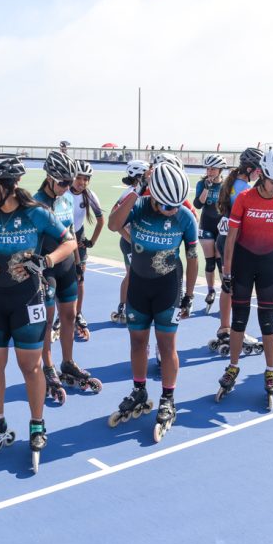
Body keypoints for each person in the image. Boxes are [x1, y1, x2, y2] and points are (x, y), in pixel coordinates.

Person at [0, 154, 76, 472]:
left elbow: (69, 243)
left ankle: (37, 423)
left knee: (30, 367)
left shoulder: (36, 213)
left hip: (28, 301)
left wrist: (46, 260)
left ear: (4, 186)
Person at [107, 162, 198, 442]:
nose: (173, 210)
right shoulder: (139, 206)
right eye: (168, 205)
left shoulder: (185, 217)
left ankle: (168, 398)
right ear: (155, 196)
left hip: (168, 288)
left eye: (177, 205)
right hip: (139, 286)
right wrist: (137, 189)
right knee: (137, 343)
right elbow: (113, 224)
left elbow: (193, 258)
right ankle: (139, 390)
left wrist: (189, 295)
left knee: (166, 345)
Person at [215, 147, 273, 408]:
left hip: (269, 266)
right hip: (244, 263)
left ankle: (271, 370)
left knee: (268, 322)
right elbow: (231, 239)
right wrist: (227, 272)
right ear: (262, 175)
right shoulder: (244, 198)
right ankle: (233, 367)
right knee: (239, 321)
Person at [34, 151, 100, 400]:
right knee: (47, 321)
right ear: (49, 178)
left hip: (67, 267)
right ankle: (48, 366)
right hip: (46, 269)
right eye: (62, 183)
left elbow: (71, 234)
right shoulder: (35, 204)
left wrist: (78, 264)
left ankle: (68, 362)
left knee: (70, 316)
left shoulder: (66, 201)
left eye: (69, 183)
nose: (66, 187)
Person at [207, 148, 265, 356]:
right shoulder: (244, 189)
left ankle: (224, 328)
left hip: (224, 239)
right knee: (239, 289)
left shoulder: (232, 183)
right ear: (249, 169)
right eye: (258, 170)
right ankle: (236, 330)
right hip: (236, 241)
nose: (260, 174)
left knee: (227, 285)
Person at [110, 160, 152, 324]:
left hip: (139, 242)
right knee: (132, 275)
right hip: (130, 243)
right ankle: (123, 307)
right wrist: (132, 240)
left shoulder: (145, 192)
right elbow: (115, 222)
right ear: (139, 177)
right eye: (147, 175)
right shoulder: (129, 194)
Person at [70, 160, 103, 341]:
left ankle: (78, 313)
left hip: (78, 237)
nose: (82, 182)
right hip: (61, 239)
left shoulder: (89, 195)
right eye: (79, 178)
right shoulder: (63, 193)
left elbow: (101, 221)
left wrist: (91, 242)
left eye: (86, 179)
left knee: (80, 279)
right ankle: (61, 314)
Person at [194, 154, 229, 311]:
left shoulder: (227, 185)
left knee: (220, 262)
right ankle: (210, 291)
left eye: (213, 169)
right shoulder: (202, 184)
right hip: (206, 225)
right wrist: (207, 188)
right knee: (210, 262)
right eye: (208, 169)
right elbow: (198, 204)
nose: (210, 172)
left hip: (221, 227)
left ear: (220, 170)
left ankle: (225, 291)